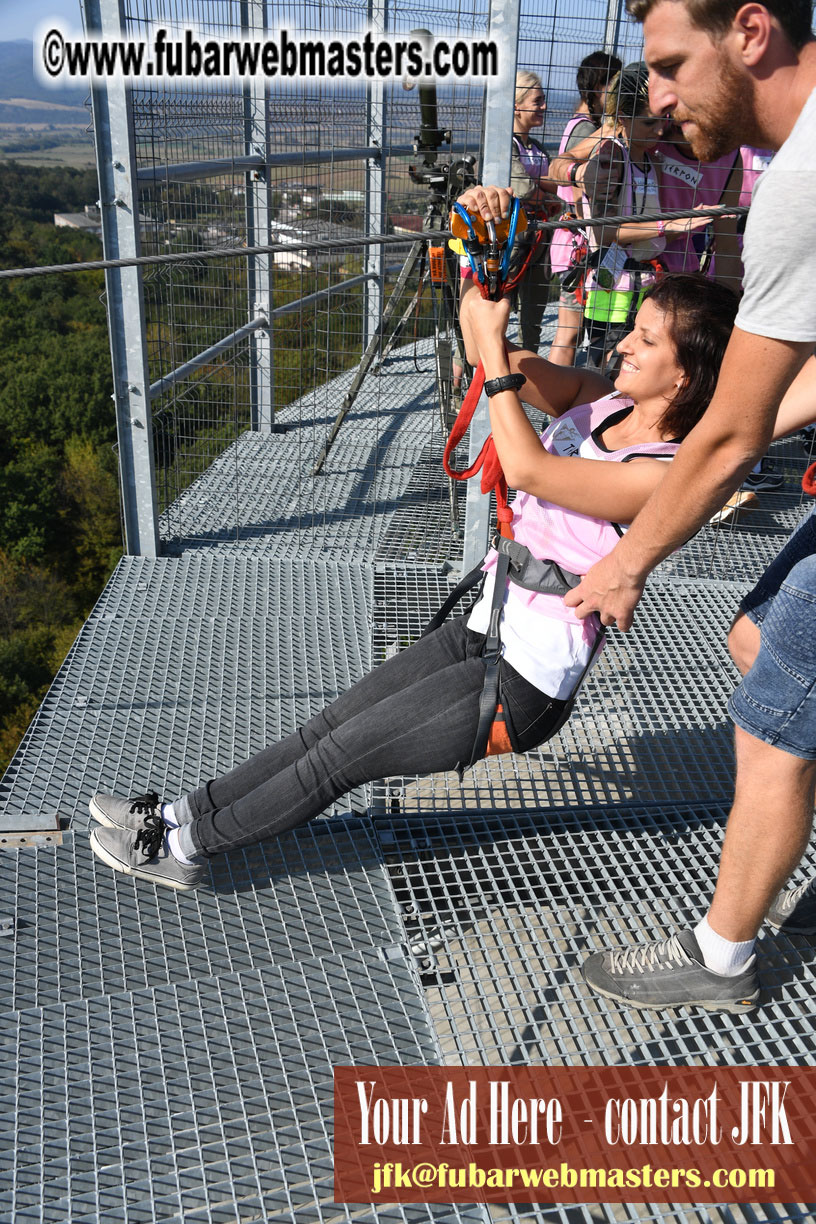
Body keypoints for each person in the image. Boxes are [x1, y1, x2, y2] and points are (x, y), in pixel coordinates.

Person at [87, 273, 738, 893]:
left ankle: (182, 852)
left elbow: (530, 467)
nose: (623, 342)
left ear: (686, 375)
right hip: (486, 624)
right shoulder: (603, 400)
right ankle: (176, 815)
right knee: (325, 729)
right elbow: (496, 355)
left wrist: (492, 351)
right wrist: (486, 276)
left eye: (647, 339)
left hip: (525, 677)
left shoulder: (665, 472)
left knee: (337, 758)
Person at [558, 0, 816, 1012]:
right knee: (759, 638)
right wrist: (750, 415)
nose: (653, 98)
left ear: (750, 33)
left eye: (668, 65)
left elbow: (728, 443)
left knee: (773, 710)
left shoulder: (800, 182)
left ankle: (721, 959)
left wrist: (624, 565)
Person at [574, 62, 712, 374]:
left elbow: (648, 228)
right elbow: (605, 232)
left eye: (663, 121)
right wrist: (669, 225)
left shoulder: (652, 160)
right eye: (650, 123)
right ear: (623, 117)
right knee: (602, 371)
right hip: (610, 288)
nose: (661, 131)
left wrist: (685, 225)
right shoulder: (611, 156)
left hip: (645, 284)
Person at [548, 51, 622, 367]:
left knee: (571, 332)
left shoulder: (581, 125)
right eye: (615, 86)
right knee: (569, 333)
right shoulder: (586, 132)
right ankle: (553, 405)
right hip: (577, 245)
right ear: (596, 89)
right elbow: (579, 193)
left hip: (570, 243)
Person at [507, 70, 562, 353]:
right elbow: (522, 187)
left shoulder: (535, 148)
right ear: (516, 105)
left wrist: (543, 194)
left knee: (534, 309)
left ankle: (528, 368)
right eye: (537, 101)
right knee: (499, 304)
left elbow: (546, 186)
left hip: (538, 237)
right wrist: (547, 197)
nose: (543, 107)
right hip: (512, 240)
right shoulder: (507, 146)